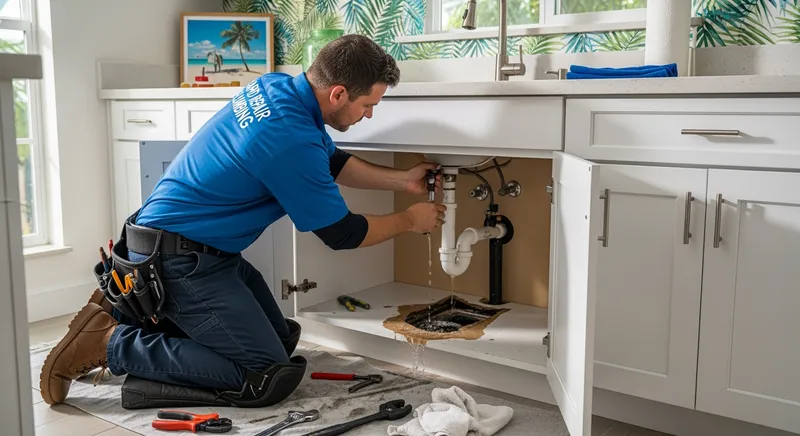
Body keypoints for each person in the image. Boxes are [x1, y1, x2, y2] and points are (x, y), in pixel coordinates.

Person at [39, 34, 446, 406]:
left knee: (283, 341)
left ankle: (128, 316)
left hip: (186, 250)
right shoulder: (291, 139)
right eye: (368, 105)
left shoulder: (278, 88)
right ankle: (111, 342)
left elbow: (333, 161)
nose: (370, 115)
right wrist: (410, 221)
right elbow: (342, 234)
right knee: (264, 376)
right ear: (338, 93)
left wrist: (401, 180)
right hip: (176, 263)